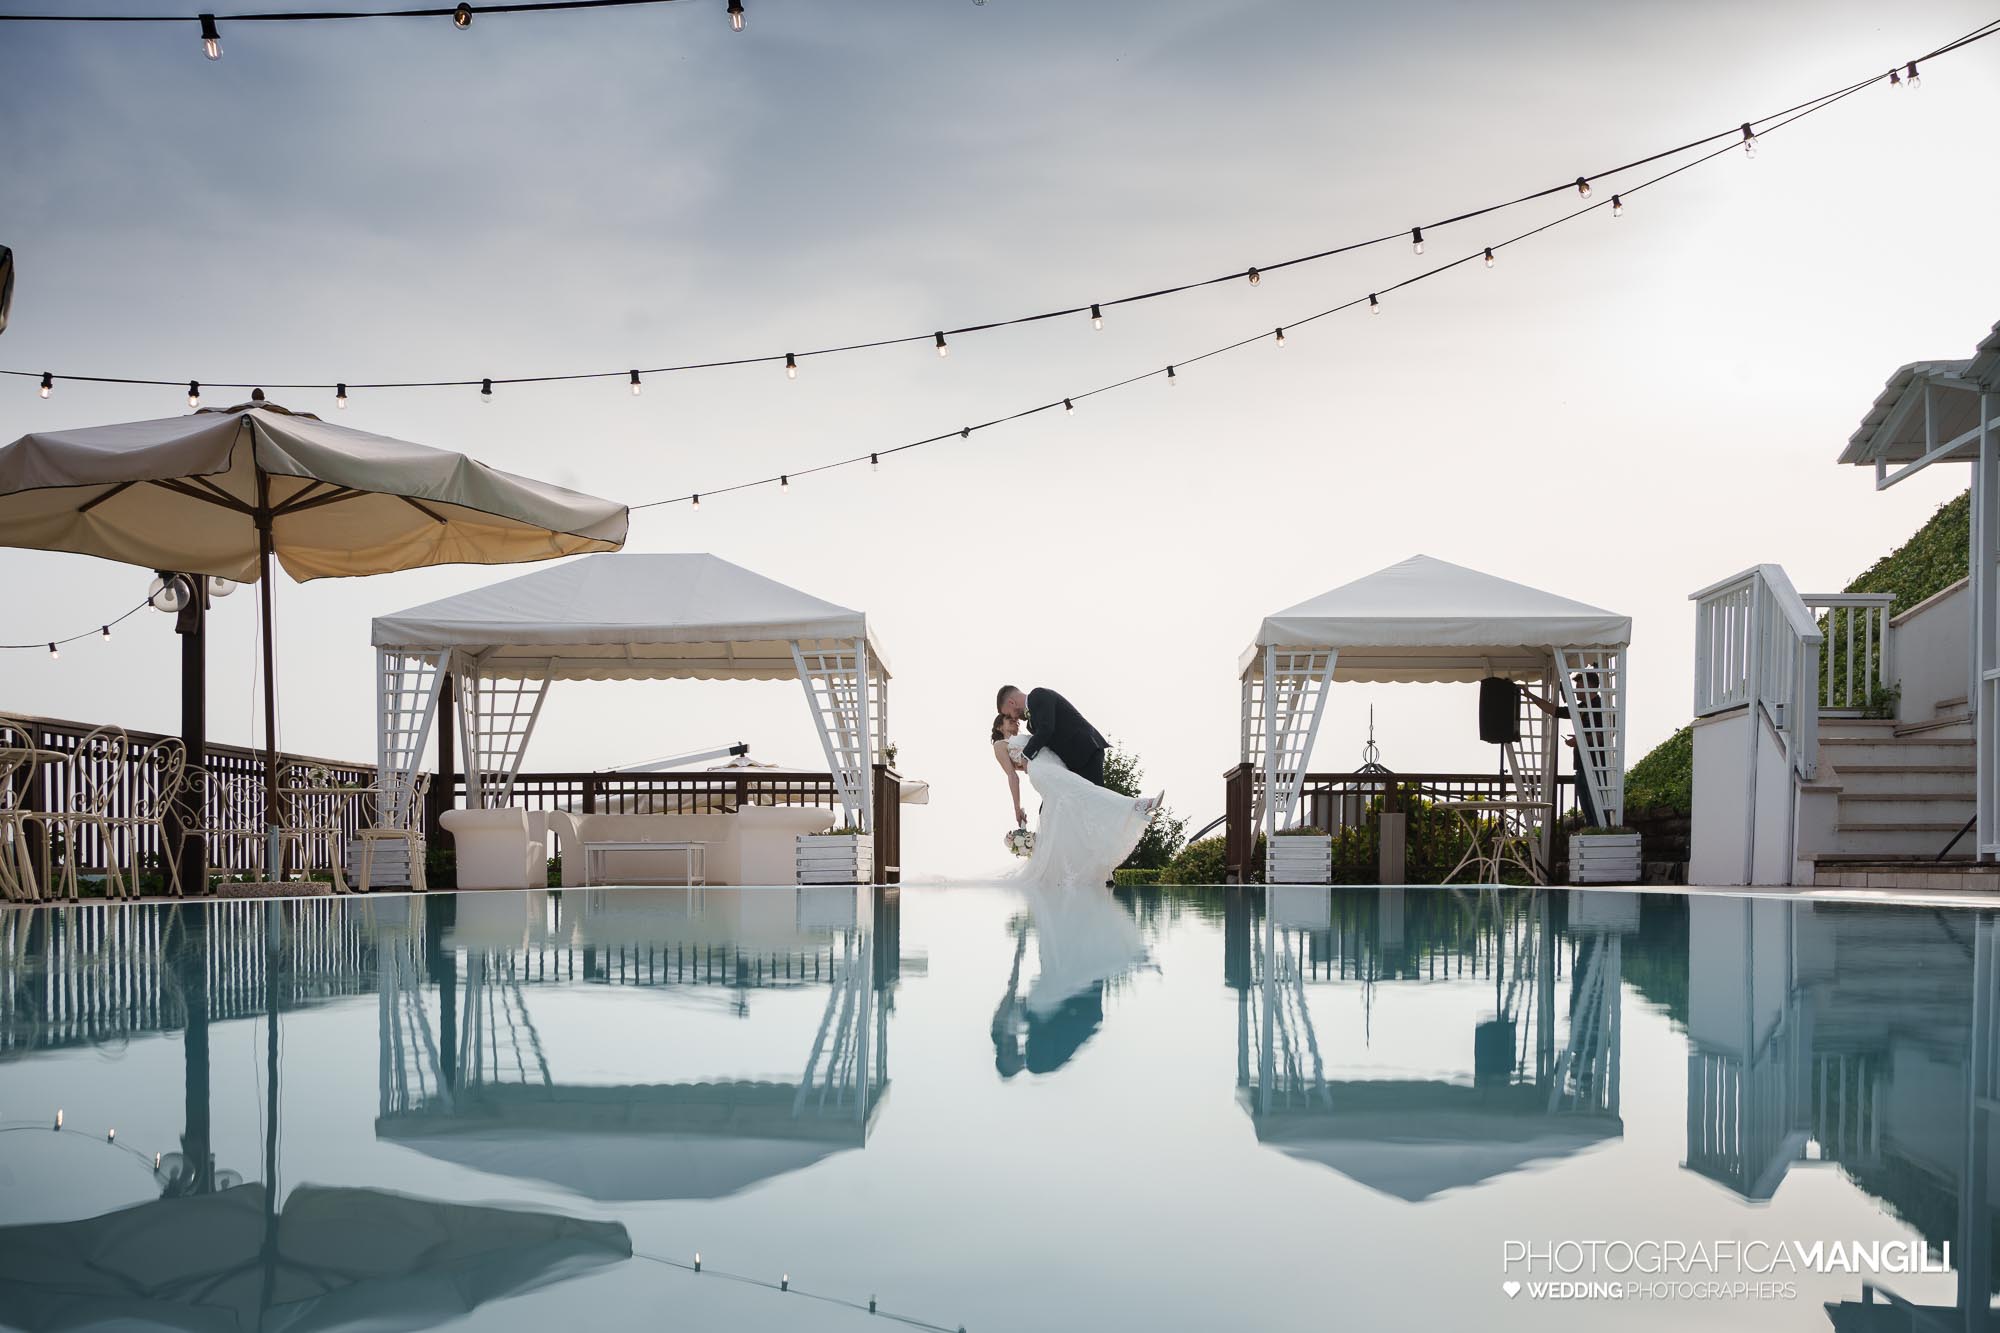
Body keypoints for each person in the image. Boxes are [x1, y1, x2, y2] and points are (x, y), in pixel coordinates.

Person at [991, 711, 1161, 890]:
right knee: (1087, 793)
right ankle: (1137, 806)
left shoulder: (1026, 737)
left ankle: (1085, 871)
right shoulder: (1000, 745)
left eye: (1016, 720)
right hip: (1044, 772)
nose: (1015, 722)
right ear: (999, 726)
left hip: (1057, 766)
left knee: (1070, 816)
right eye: (1009, 719)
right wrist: (1017, 807)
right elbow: (1012, 776)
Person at [996, 684, 1108, 788]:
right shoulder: (1031, 725)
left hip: (1085, 750)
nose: (1014, 718)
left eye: (1008, 714)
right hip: (1071, 764)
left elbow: (1046, 729)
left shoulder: (1038, 695)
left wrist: (1026, 755)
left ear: (1012, 703)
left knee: (1094, 799)